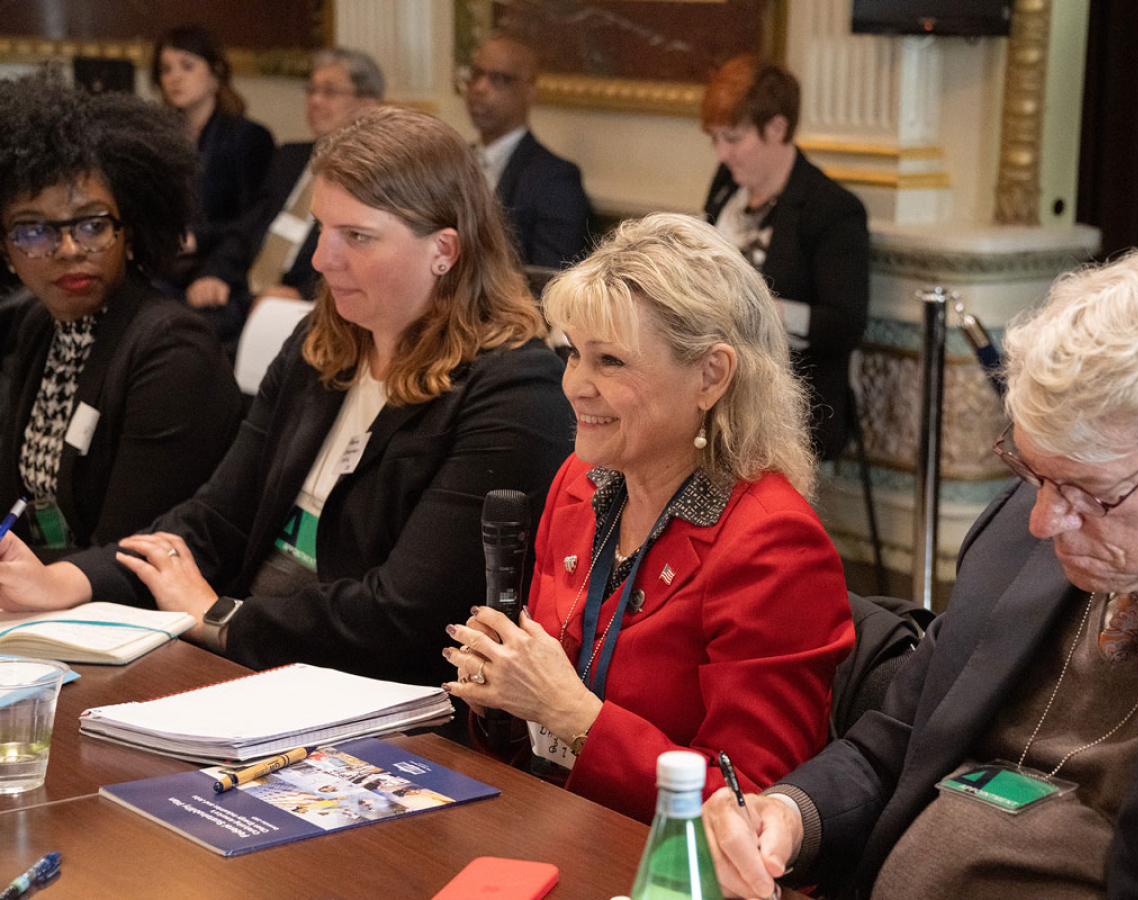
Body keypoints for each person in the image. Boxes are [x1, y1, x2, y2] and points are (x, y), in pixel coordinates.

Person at [703, 250, 1138, 899]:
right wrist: (788, 815)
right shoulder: (1026, 525)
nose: (1043, 520)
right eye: (1033, 472)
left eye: (1089, 491)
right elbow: (895, 746)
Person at [0, 107, 575, 701]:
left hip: (374, 700)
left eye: (357, 236)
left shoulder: (515, 391)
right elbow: (214, 519)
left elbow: (408, 616)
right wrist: (60, 581)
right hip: (251, 662)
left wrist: (221, 617)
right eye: (321, 229)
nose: (322, 260)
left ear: (445, 250)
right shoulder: (321, 344)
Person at [444, 213, 854, 821]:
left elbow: (751, 809)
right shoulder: (581, 485)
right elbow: (537, 745)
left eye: (610, 362)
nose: (576, 385)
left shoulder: (772, 544)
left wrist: (573, 716)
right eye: (574, 354)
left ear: (711, 375)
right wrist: (503, 704)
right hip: (553, 828)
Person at [0, 76, 242, 562]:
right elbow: (17, 505)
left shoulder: (172, 351)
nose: (69, 251)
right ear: (5, 251)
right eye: (33, 231)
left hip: (133, 613)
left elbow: (129, 553)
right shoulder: (38, 326)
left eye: (92, 225)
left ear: (129, 233)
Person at [702, 56, 869, 461]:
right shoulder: (727, 187)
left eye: (734, 138)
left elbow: (844, 325)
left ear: (777, 128)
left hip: (795, 394)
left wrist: (762, 311)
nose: (723, 153)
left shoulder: (831, 209)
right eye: (716, 139)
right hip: (722, 377)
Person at [190, 47, 385, 308]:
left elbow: (366, 262)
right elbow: (247, 229)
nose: (315, 100)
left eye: (329, 92)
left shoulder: (376, 174)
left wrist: (302, 296)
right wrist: (214, 274)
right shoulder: (290, 156)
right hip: (242, 296)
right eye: (311, 90)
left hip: (304, 306)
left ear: (367, 106)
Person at [154, 24, 276, 342]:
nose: (174, 78)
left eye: (187, 66)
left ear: (216, 72)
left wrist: (195, 239)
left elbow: (256, 221)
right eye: (166, 69)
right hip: (164, 265)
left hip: (221, 270)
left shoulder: (249, 137)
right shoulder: (160, 139)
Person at [462, 33, 591, 270]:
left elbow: (550, 278)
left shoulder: (555, 179)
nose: (480, 88)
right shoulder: (453, 159)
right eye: (476, 75)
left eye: (500, 79)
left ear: (529, 90)